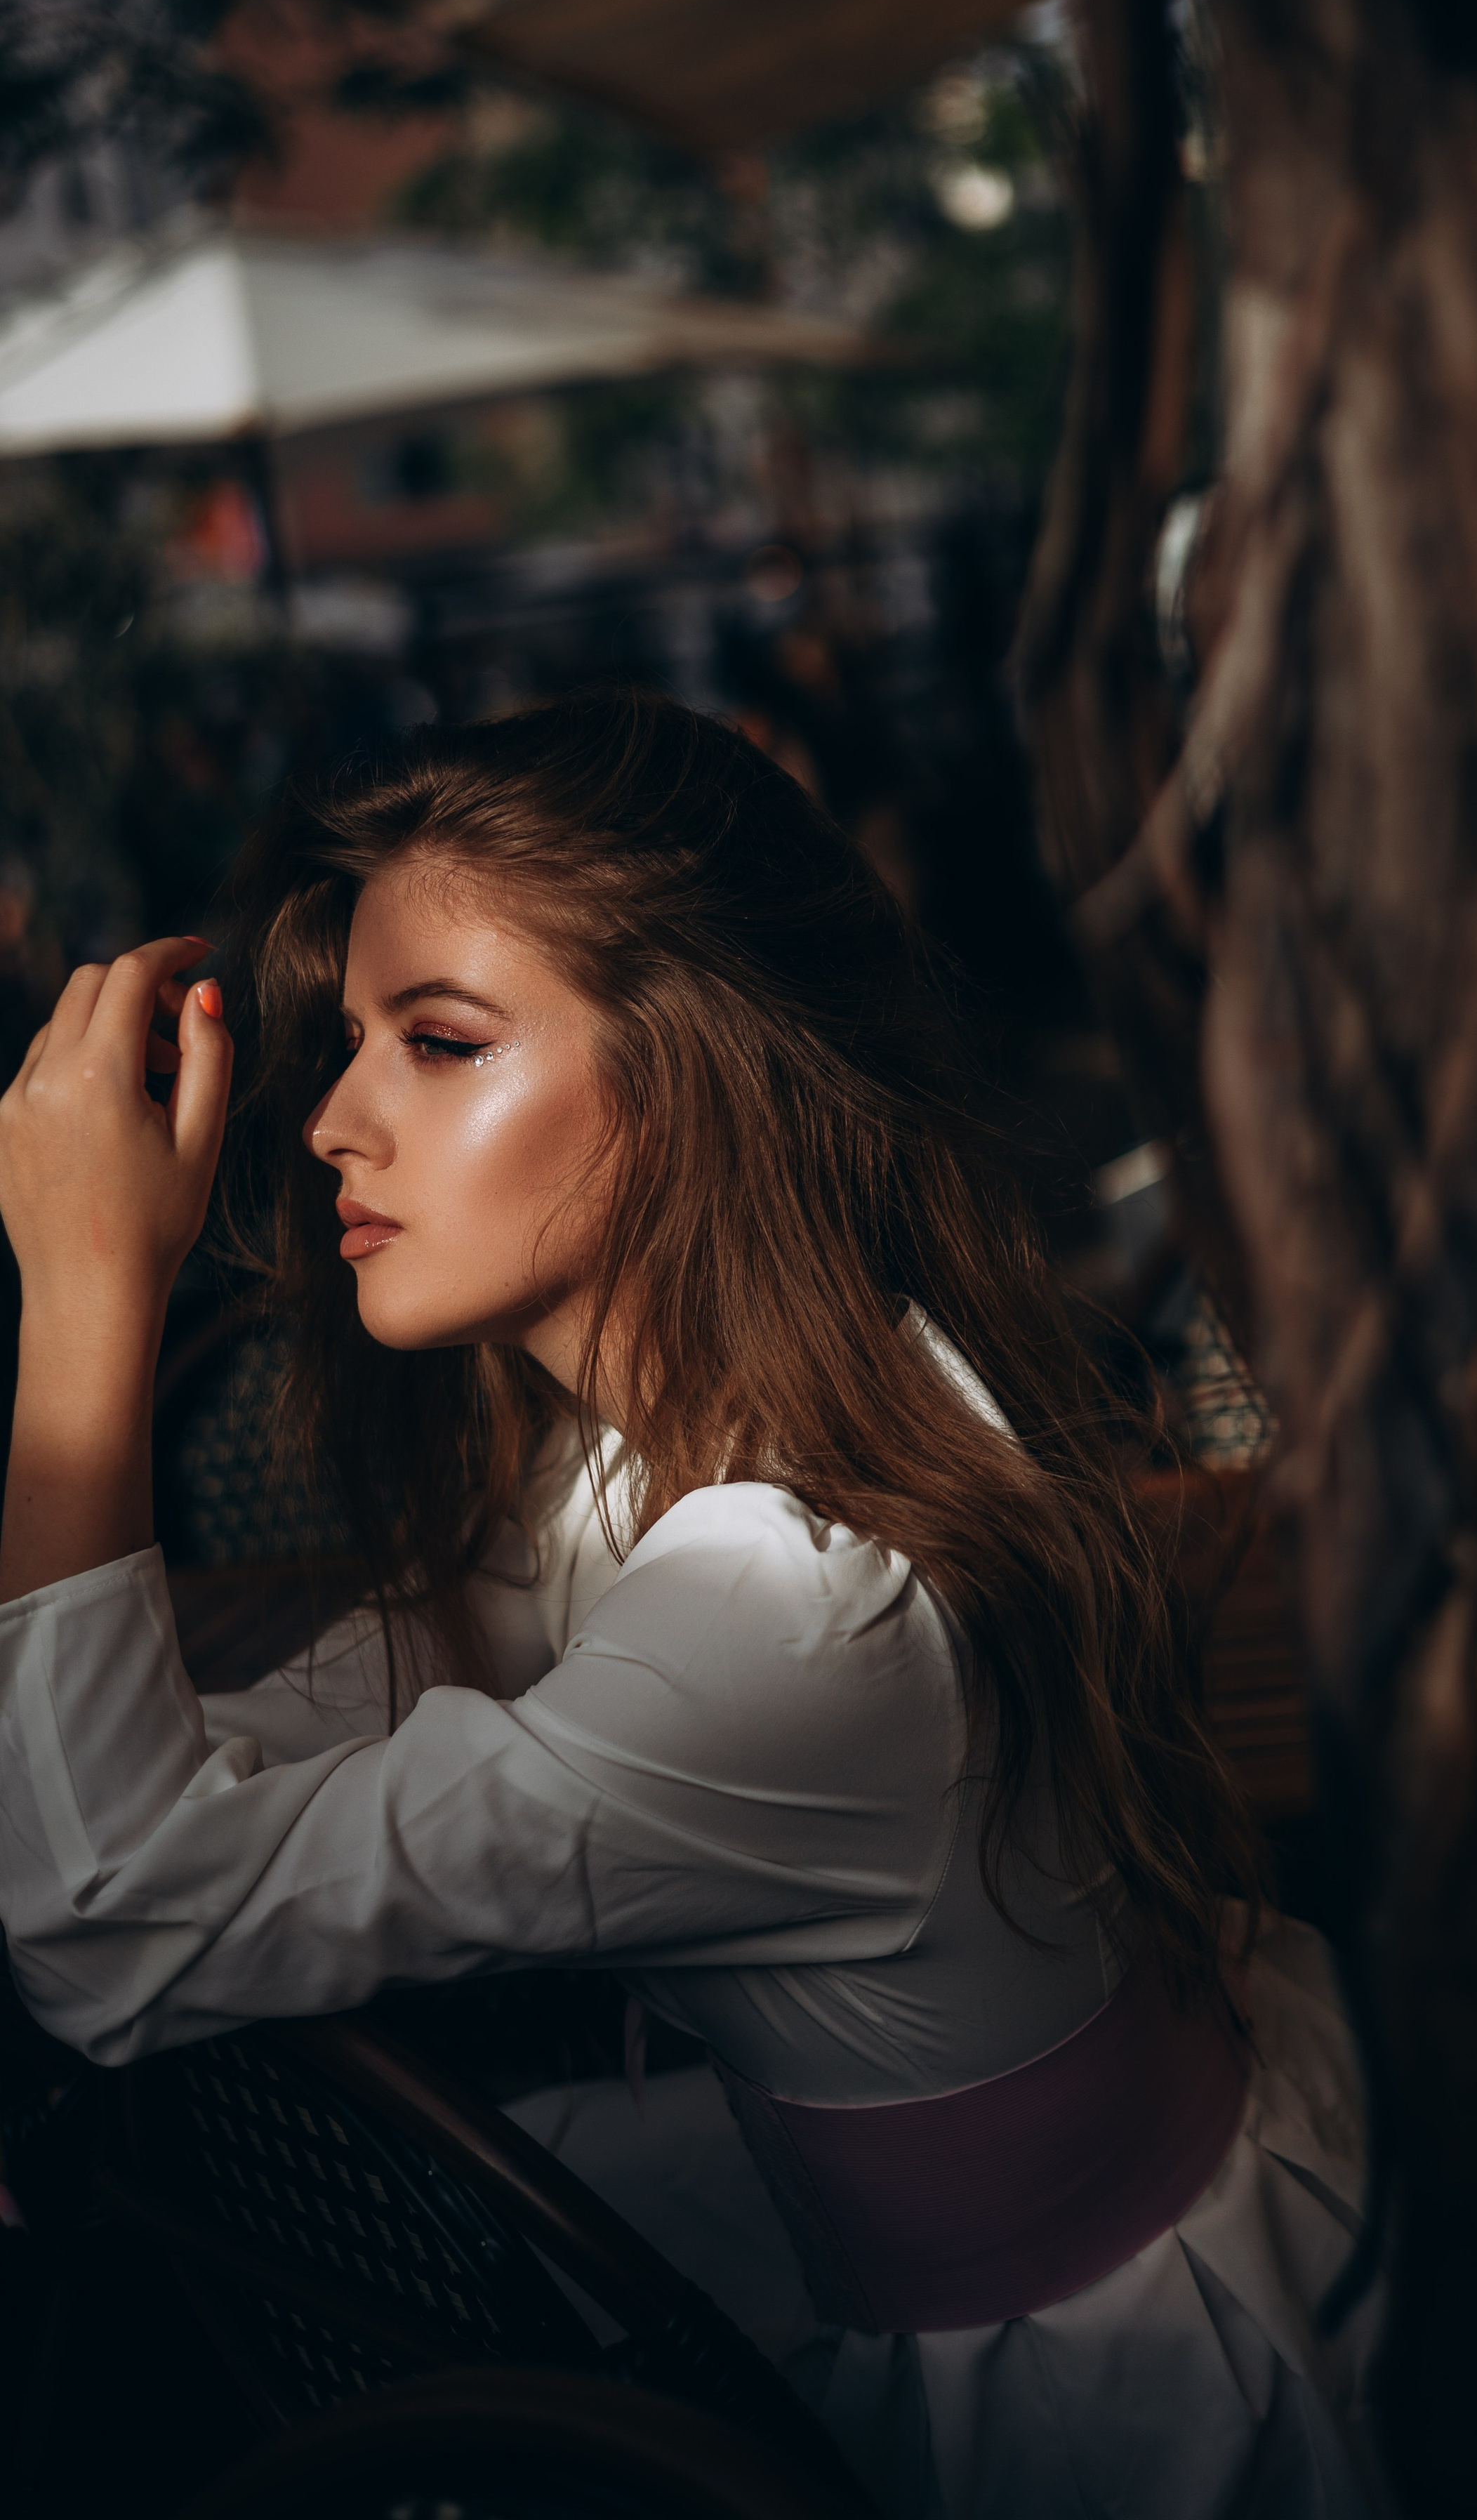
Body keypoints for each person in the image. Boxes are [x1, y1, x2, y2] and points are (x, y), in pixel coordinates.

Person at [0, 692, 1379, 2520]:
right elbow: (213, 1781)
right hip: (967, 2193)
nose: (333, 1118)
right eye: (350, 1043)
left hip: (1080, 2410)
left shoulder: (783, 1610)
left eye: (438, 1041)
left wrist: (86, 1304)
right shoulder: (729, 1429)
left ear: (690, 1079)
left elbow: (102, 1920)